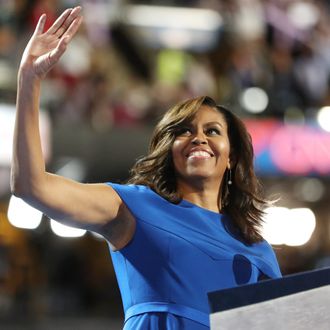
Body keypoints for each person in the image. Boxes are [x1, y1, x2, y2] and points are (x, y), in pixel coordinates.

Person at [11, 6, 282, 330]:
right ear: (170, 151)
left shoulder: (258, 249)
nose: (198, 138)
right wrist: (30, 79)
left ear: (232, 156)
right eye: (184, 130)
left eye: (212, 131)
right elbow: (31, 186)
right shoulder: (133, 207)